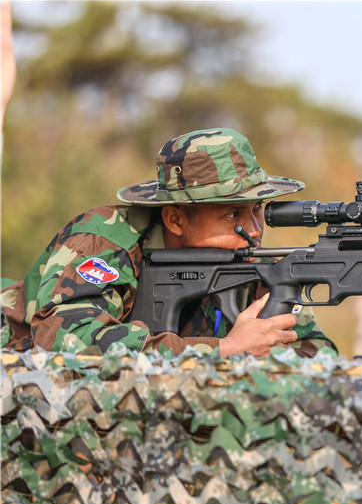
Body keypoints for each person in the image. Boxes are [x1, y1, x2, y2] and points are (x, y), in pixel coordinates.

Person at [0, 127, 335, 357]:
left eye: (257, 210)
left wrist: (270, 352)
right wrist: (221, 350)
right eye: (233, 214)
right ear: (175, 219)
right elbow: (64, 339)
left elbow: (317, 351)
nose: (254, 229)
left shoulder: (246, 263)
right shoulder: (104, 238)